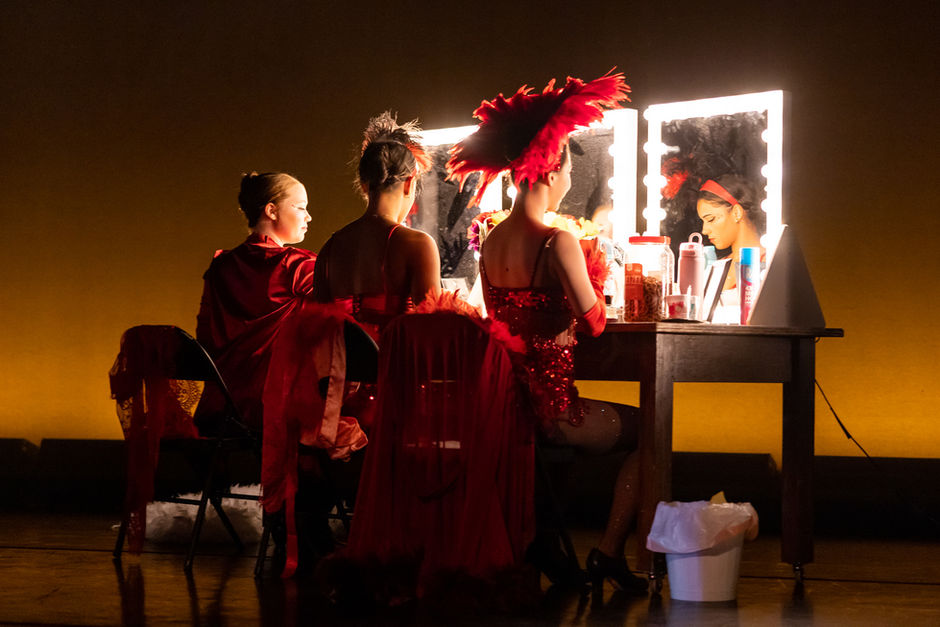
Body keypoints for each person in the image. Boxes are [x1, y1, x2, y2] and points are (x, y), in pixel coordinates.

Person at [447, 72, 648, 594]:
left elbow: (506, 320)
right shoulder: (557, 240)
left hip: (504, 406)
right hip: (551, 409)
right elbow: (595, 323)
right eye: (569, 170)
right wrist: (594, 273)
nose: (570, 180)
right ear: (553, 170)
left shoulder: (491, 241)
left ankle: (550, 539)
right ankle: (610, 551)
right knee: (653, 431)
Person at [196, 172, 367, 577]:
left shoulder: (221, 267)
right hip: (272, 402)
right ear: (271, 211)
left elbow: (205, 334)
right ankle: (326, 527)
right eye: (301, 207)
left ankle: (295, 525)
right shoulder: (295, 266)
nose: (309, 217)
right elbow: (347, 313)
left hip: (226, 402)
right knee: (361, 410)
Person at [313, 112, 441, 340]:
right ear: (409, 183)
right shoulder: (416, 245)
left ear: (364, 184)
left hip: (341, 364)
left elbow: (318, 333)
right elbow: (432, 331)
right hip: (396, 362)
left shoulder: (329, 250)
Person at [696, 174, 765, 291]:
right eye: (703, 221)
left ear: (736, 213)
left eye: (711, 219)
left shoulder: (767, 264)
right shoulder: (718, 267)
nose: (704, 230)